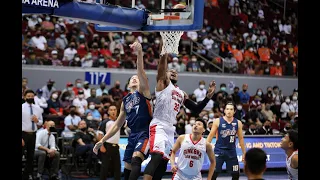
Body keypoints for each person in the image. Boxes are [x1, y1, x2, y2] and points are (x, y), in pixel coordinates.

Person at [143, 52, 216, 180]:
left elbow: (196, 109)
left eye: (175, 71)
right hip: (159, 124)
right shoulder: (162, 84)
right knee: (156, 156)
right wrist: (164, 56)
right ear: (165, 75)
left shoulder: (181, 93)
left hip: (170, 128)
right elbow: (161, 70)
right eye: (170, 70)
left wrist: (208, 97)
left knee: (163, 162)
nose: (173, 72)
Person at [93, 42, 152, 180]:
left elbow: (141, 72)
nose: (135, 78)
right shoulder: (125, 101)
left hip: (145, 132)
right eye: (132, 78)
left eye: (136, 78)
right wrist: (102, 140)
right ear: (128, 84)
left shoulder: (144, 92)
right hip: (132, 135)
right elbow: (117, 125)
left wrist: (139, 53)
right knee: (127, 166)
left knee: (137, 159)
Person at [206, 102, 246, 180]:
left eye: (231, 109)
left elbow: (241, 139)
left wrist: (244, 152)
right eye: (227, 109)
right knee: (214, 173)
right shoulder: (217, 121)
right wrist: (205, 147)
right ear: (224, 110)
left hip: (231, 151)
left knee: (236, 174)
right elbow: (210, 136)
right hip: (219, 151)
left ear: (234, 111)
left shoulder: (238, 123)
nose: (229, 111)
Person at [22, 89, 43, 180]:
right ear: (24, 97)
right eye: (28, 96)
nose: (30, 97)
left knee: (30, 156)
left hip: (33, 134)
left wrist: (37, 120)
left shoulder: (37, 108)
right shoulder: (22, 107)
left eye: (32, 96)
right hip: (23, 134)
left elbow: (41, 123)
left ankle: (27, 175)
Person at [96, 105, 121, 180]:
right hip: (107, 146)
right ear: (108, 112)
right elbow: (100, 135)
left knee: (117, 167)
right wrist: (101, 146)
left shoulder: (119, 121)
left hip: (116, 146)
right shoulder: (105, 122)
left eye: (114, 109)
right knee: (105, 167)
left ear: (117, 111)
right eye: (111, 110)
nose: (113, 111)